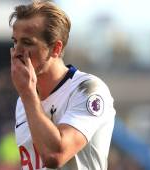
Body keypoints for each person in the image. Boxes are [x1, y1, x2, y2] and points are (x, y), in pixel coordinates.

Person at [9, 1, 116, 169]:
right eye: (15, 42)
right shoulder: (23, 100)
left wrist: (28, 94)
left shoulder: (87, 89)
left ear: (56, 48)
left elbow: (55, 156)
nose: (17, 51)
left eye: (27, 43)